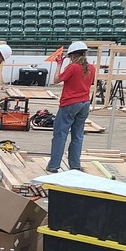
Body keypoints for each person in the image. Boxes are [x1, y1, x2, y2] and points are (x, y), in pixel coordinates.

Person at [46, 41, 96, 173]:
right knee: (78, 135)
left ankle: (54, 165)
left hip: (69, 103)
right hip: (84, 103)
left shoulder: (72, 67)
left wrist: (59, 65)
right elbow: (90, 83)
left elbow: (56, 80)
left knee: (60, 135)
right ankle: (75, 165)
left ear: (72, 55)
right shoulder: (92, 67)